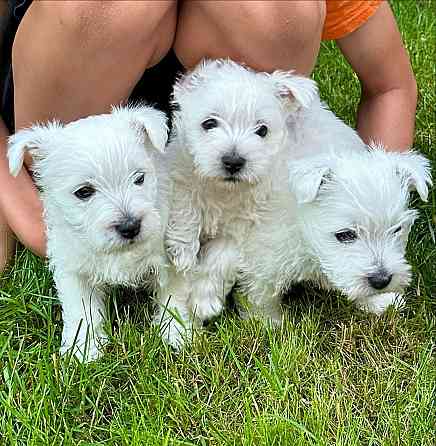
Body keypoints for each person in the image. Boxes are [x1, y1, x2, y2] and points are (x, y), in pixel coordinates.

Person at [0, 0, 417, 273]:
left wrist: (368, 210)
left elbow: (389, 87)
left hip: (222, 128)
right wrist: (27, 210)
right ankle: (71, 191)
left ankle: (232, 227)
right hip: (66, 93)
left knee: (281, 10)